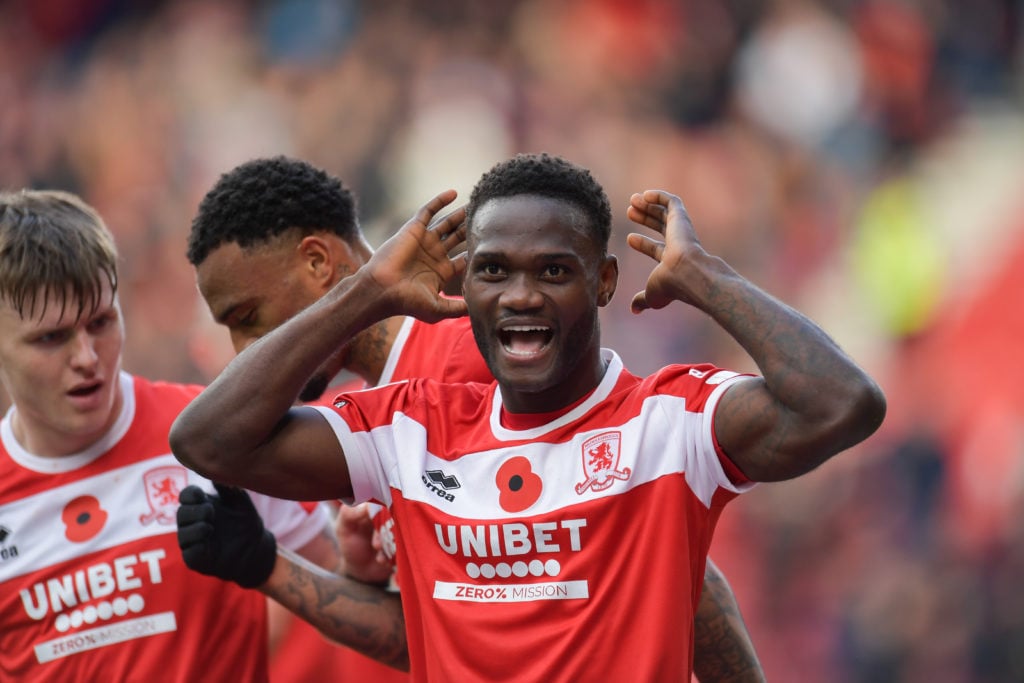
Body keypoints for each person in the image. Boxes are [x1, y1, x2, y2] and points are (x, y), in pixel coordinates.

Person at [170, 153, 886, 680]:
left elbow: (678, 572)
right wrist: (274, 567)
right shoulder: (395, 421)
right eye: (495, 272)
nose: (240, 349)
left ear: (321, 264)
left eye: (246, 317)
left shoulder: (484, 370)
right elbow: (444, 628)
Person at [0, 189, 339, 682]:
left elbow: (342, 582)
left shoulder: (213, 433)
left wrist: (282, 565)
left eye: (100, 322)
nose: (87, 358)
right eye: (51, 338)